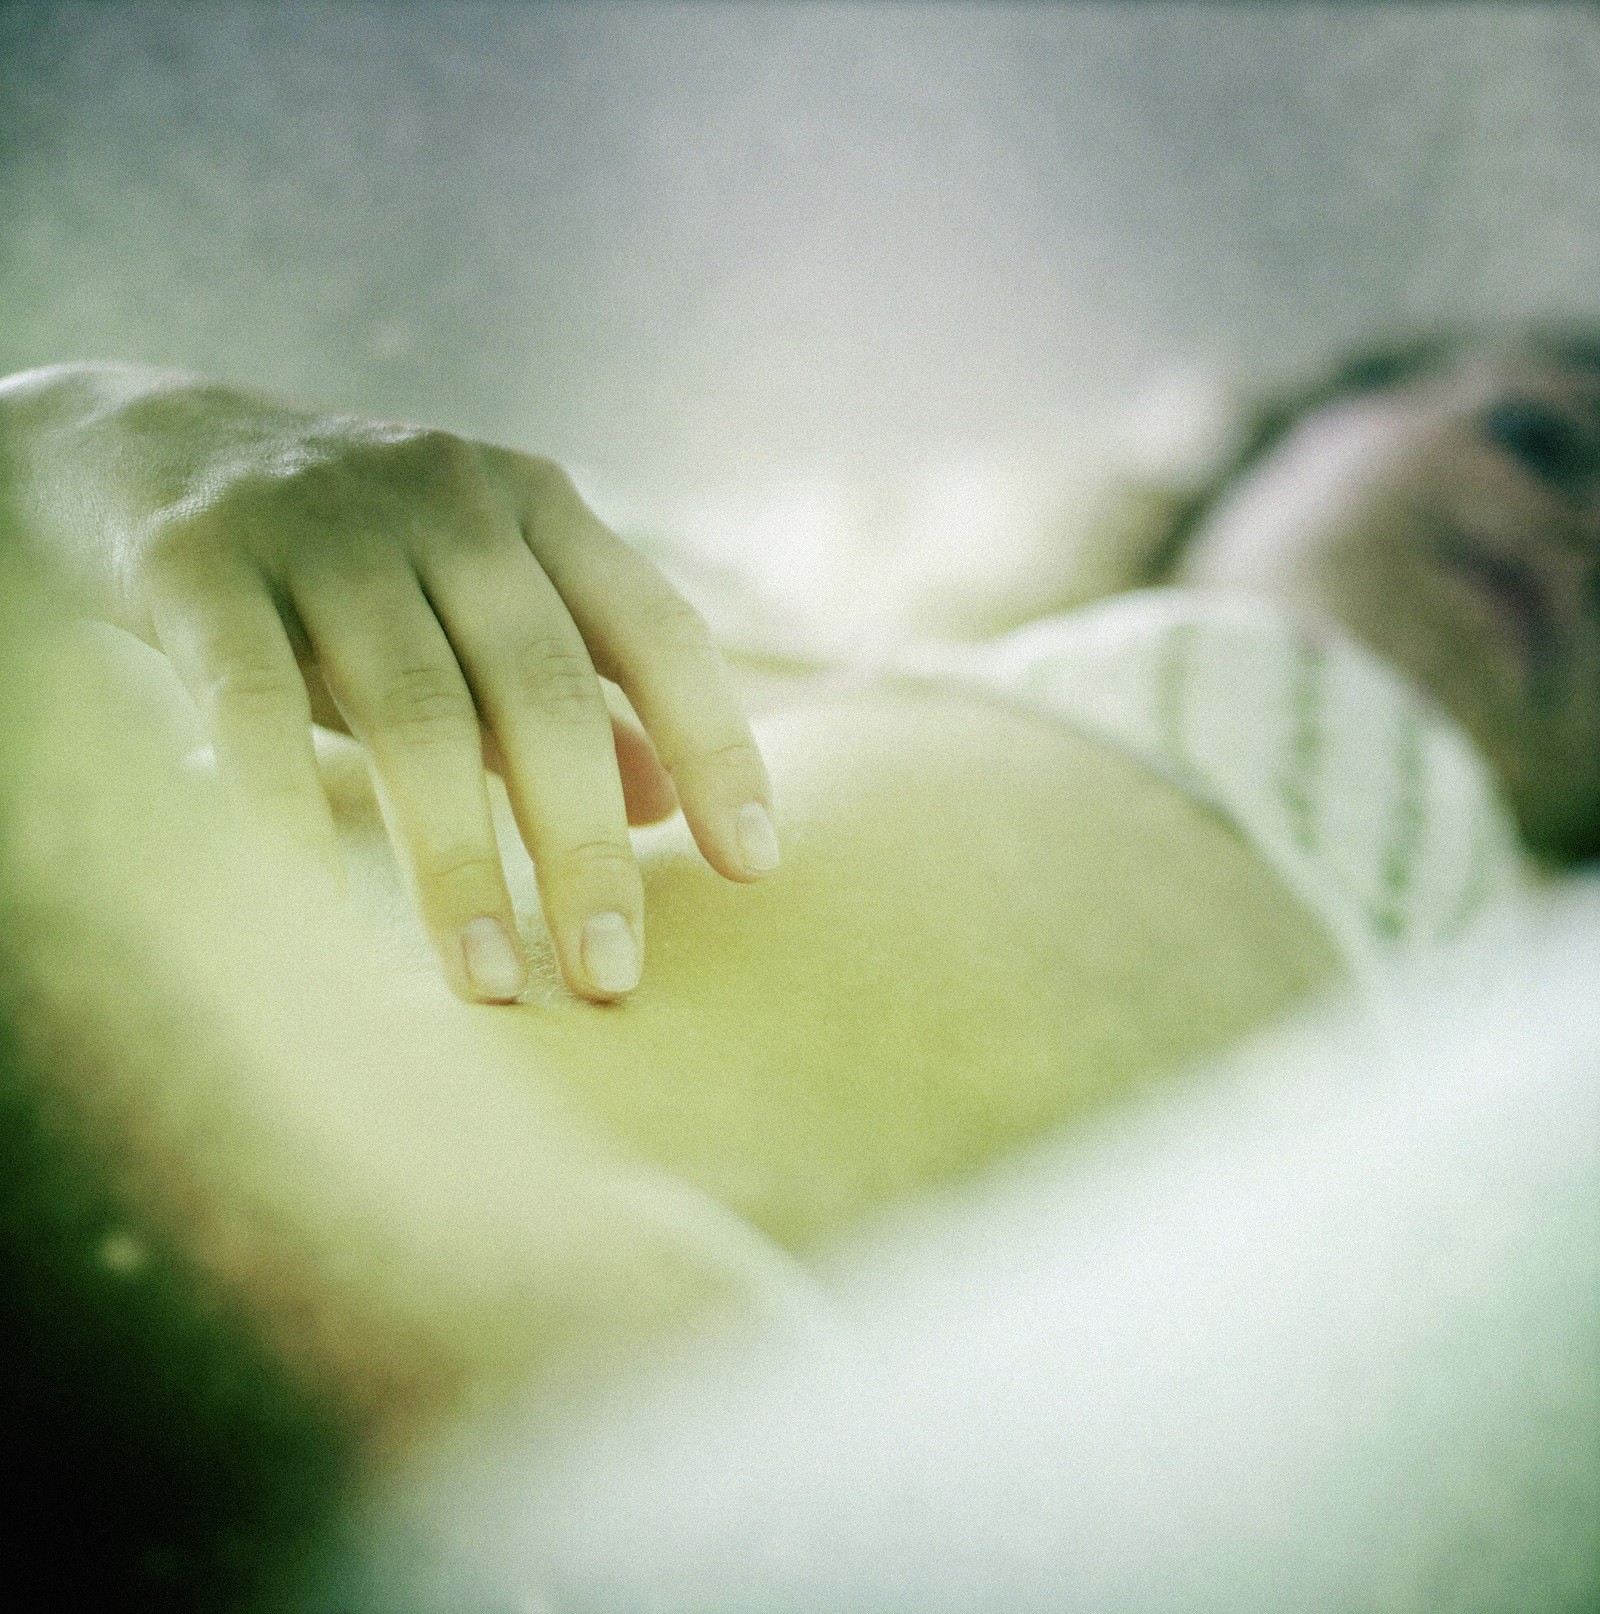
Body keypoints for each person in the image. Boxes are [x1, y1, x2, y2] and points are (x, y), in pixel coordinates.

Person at [0, 325, 1592, 1606]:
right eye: (1546, 437)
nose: (1584, 534)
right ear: (1286, 430)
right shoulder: (617, 567)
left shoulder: (1489, 998)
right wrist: (78, 444)